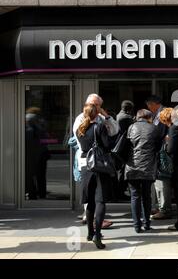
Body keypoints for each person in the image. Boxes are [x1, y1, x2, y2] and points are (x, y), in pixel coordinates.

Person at [73, 94, 118, 228]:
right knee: (95, 195)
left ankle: (91, 224)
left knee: (93, 192)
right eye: (94, 105)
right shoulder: (81, 120)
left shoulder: (102, 119)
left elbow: (115, 130)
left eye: (98, 105)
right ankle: (94, 222)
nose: (96, 107)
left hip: (90, 159)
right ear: (88, 105)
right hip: (91, 159)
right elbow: (105, 142)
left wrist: (107, 117)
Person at [76, 104, 112, 249]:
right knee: (100, 201)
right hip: (99, 167)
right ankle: (98, 235)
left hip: (86, 167)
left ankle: (90, 233)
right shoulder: (99, 127)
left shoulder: (80, 129)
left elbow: (83, 147)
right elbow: (106, 145)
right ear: (97, 114)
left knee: (89, 201)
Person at [124, 109, 159, 233]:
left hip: (132, 166)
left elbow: (127, 146)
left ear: (137, 117)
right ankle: (147, 224)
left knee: (134, 196)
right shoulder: (154, 128)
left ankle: (136, 226)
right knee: (146, 196)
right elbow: (158, 147)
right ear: (149, 117)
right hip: (148, 167)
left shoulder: (131, 128)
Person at [146, 95, 172, 219]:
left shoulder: (163, 114)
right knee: (160, 181)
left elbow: (160, 133)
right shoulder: (157, 114)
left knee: (162, 180)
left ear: (154, 104)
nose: (149, 108)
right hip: (160, 152)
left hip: (163, 153)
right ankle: (161, 206)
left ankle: (164, 209)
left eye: (149, 106)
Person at [115, 100, 135, 200]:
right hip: (124, 147)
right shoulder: (126, 117)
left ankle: (119, 192)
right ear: (128, 109)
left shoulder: (119, 115)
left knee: (121, 170)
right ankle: (119, 192)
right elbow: (133, 129)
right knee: (123, 171)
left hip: (121, 147)